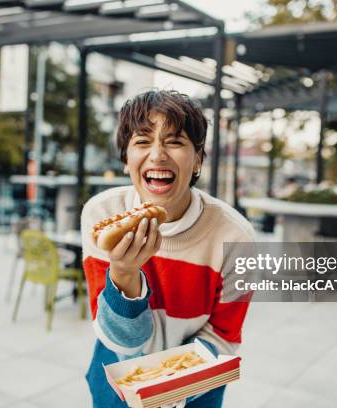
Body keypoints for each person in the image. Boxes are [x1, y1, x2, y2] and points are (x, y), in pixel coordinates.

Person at [81, 90, 255, 407]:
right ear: (125, 159)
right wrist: (123, 272)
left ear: (199, 158)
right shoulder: (101, 216)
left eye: (175, 141)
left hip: (196, 391)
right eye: (143, 141)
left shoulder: (237, 237)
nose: (158, 155)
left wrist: (171, 389)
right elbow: (119, 337)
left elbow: (224, 335)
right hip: (116, 383)